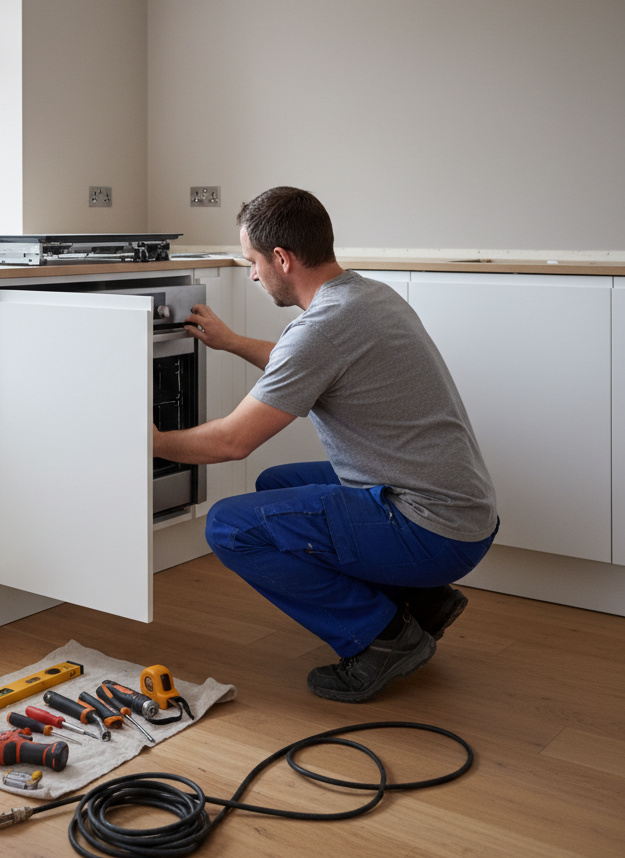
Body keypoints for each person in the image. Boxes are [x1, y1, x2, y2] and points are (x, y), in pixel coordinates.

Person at [152, 186, 498, 703]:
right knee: (276, 486)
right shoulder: (365, 296)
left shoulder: (321, 327)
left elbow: (232, 441)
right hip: (464, 511)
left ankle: (383, 639)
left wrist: (147, 442)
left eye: (252, 261)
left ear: (281, 259)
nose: (251, 274)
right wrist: (231, 341)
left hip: (434, 529)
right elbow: (307, 362)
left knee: (230, 525)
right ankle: (421, 601)